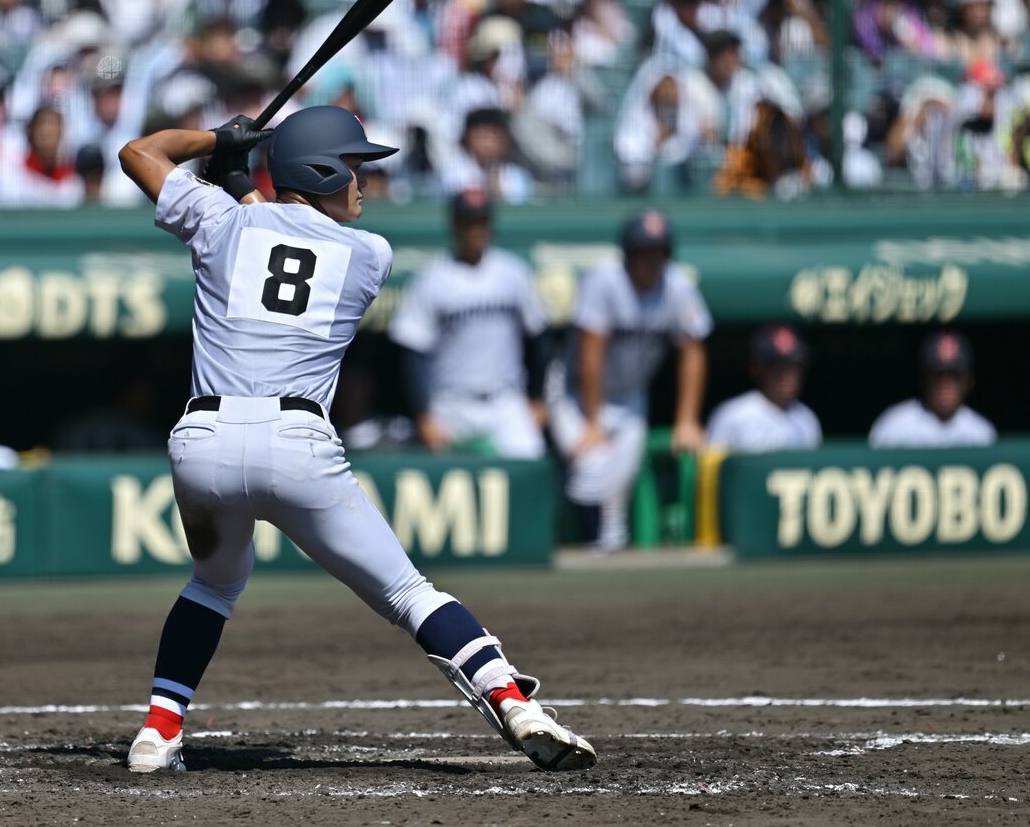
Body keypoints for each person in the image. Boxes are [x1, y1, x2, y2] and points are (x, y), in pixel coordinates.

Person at [115, 105, 596, 775]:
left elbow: (140, 153)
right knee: (408, 594)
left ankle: (156, 734)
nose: (364, 181)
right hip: (296, 444)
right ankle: (514, 703)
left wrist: (218, 145)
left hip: (203, 441)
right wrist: (241, 171)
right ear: (319, 171)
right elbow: (279, 231)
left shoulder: (224, 222)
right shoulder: (370, 255)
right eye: (353, 166)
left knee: (214, 585)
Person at [546, 211, 711, 552]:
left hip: (630, 394)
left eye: (658, 251)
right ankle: (579, 546)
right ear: (628, 253)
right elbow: (590, 355)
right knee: (591, 468)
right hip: (575, 391)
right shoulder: (605, 280)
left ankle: (608, 554)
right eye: (643, 251)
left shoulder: (677, 285)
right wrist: (593, 422)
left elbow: (693, 350)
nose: (651, 261)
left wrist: (687, 420)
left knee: (620, 477)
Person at [389, 188, 547, 458]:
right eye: (469, 221)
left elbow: (538, 339)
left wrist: (538, 399)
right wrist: (423, 415)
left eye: (482, 220)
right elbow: (412, 352)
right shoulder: (432, 279)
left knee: (529, 460)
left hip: (505, 401)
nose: (476, 228)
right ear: (454, 224)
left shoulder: (513, 273)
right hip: (451, 403)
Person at [869, 331, 997, 448]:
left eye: (955, 375)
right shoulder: (894, 426)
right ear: (924, 379)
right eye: (938, 375)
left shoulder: (981, 433)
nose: (946, 384)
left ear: (969, 381)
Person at [706, 324, 822, 453]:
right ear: (758, 369)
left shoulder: (807, 419)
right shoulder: (732, 416)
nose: (789, 376)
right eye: (780, 367)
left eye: (794, 367)